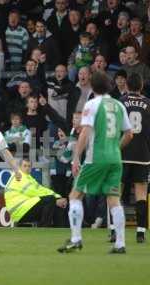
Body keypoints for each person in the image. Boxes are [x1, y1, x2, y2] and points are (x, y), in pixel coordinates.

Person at [57, 71, 133, 254]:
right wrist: (115, 148)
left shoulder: (92, 104)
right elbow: (129, 134)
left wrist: (76, 157)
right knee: (114, 200)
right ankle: (120, 244)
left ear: (92, 86)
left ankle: (76, 240)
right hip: (115, 158)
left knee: (75, 195)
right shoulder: (118, 105)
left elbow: (85, 132)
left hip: (96, 158)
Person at [119, 73, 150, 243]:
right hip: (142, 154)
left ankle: (115, 231)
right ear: (141, 87)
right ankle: (140, 232)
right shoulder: (148, 103)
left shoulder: (121, 102)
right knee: (141, 194)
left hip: (122, 152)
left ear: (127, 86)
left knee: (116, 191)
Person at [4, 158, 68, 227]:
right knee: (50, 200)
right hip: (20, 211)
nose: (27, 168)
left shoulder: (28, 177)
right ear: (20, 167)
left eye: (29, 166)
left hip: (24, 209)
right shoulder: (19, 176)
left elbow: (42, 189)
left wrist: (58, 197)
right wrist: (55, 199)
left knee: (56, 202)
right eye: (25, 166)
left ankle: (59, 229)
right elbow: (34, 191)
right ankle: (44, 228)